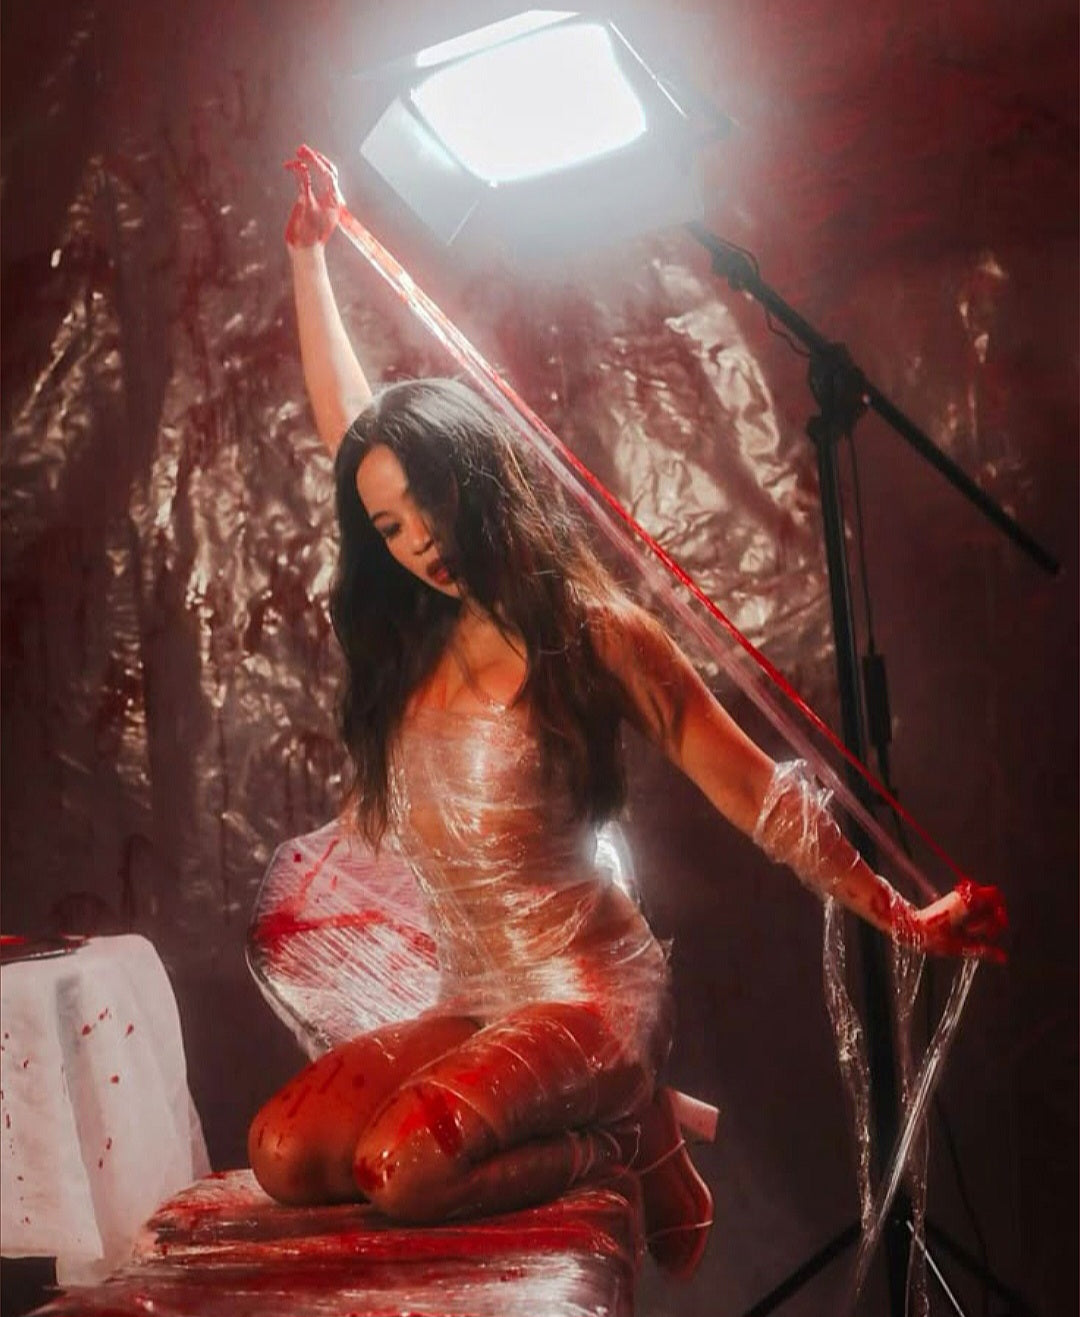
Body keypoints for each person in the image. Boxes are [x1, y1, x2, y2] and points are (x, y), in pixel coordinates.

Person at [248, 145, 1007, 1278]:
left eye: (429, 507)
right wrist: (310, 259)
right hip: (477, 996)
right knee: (285, 1153)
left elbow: (755, 790)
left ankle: (622, 1133)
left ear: (477, 480)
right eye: (390, 529)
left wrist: (901, 912)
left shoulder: (595, 635)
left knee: (403, 1170)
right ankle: (617, 1122)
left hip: (587, 995)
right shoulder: (414, 642)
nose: (417, 543)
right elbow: (353, 431)